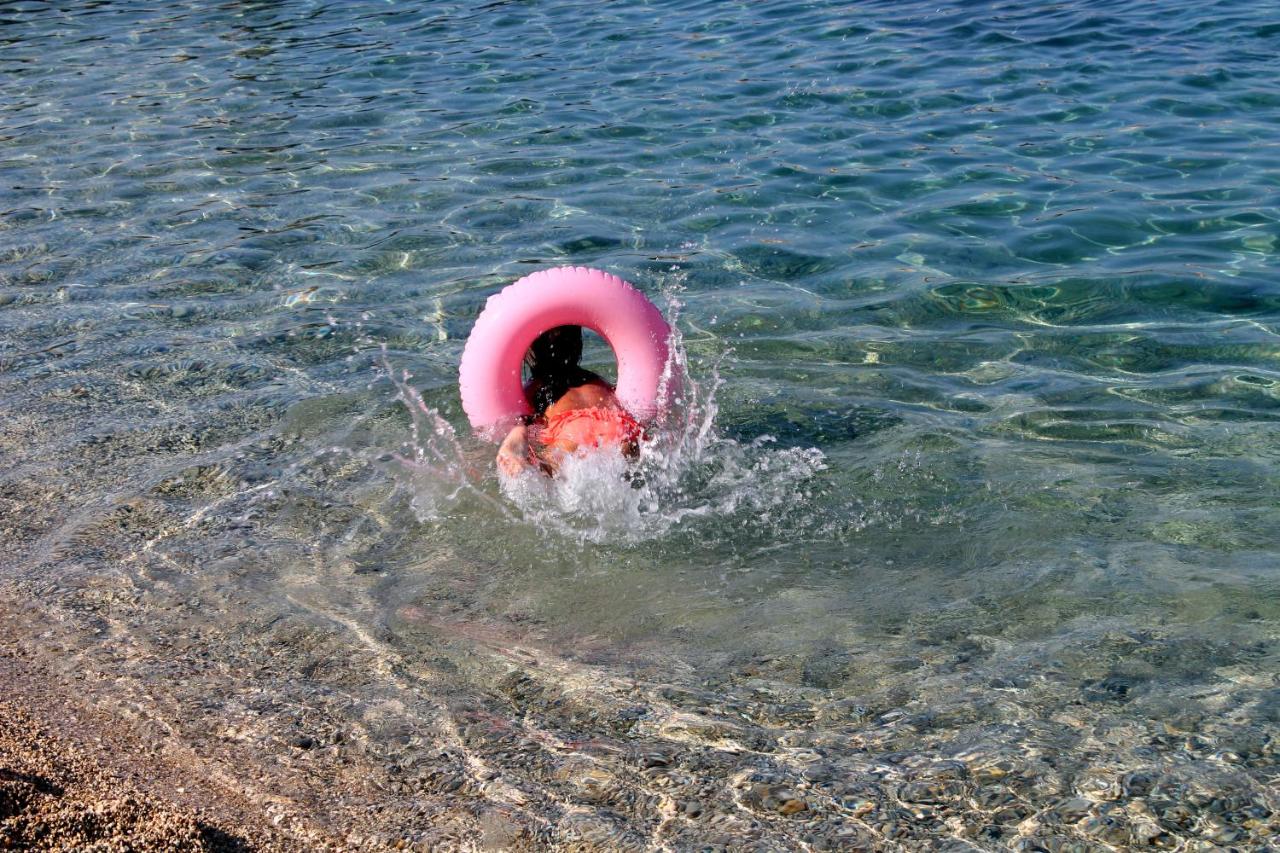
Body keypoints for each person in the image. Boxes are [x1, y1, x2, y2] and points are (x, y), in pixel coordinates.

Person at [496, 325, 642, 476]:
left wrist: (520, 434)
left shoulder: (533, 389)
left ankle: (516, 448)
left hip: (572, 437)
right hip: (620, 431)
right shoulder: (598, 381)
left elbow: (527, 425)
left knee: (537, 463)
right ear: (577, 343)